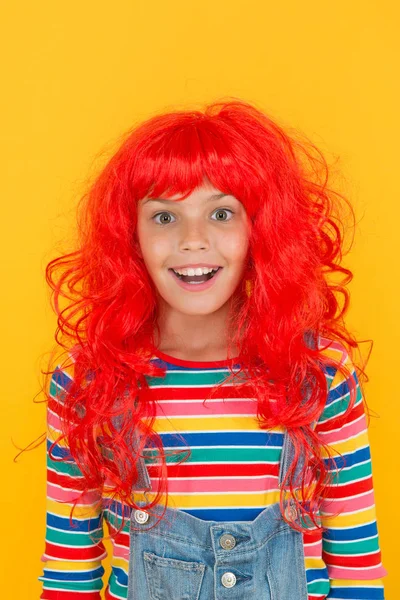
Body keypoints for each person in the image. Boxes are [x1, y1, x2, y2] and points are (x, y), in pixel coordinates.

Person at [38, 99, 387, 599]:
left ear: (260, 229)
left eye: (221, 213)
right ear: (130, 235)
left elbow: (357, 566)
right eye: (164, 217)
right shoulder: (88, 380)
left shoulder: (321, 373)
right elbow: (70, 567)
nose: (193, 240)